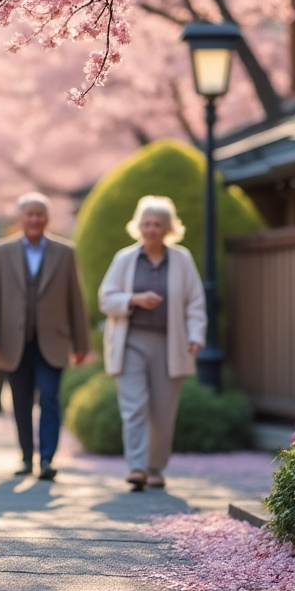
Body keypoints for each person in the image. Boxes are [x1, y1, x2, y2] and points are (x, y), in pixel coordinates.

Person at [98, 196, 206, 491]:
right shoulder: (124, 259)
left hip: (170, 345)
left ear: (168, 228)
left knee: (162, 411)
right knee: (134, 407)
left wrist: (196, 335)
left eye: (157, 224)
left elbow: (195, 302)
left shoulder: (182, 259)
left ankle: (155, 468)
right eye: (146, 223)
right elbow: (105, 299)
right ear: (138, 226)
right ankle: (137, 467)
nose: (151, 229)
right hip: (130, 343)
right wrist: (134, 299)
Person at [0, 193, 90, 481]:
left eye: (39, 214)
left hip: (52, 341)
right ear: (20, 218)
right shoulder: (1, 252)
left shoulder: (65, 252)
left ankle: (47, 459)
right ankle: (27, 457)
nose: (34, 219)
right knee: (21, 402)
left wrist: (81, 344)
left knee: (50, 399)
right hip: (12, 343)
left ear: (47, 218)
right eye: (29, 214)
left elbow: (75, 300)